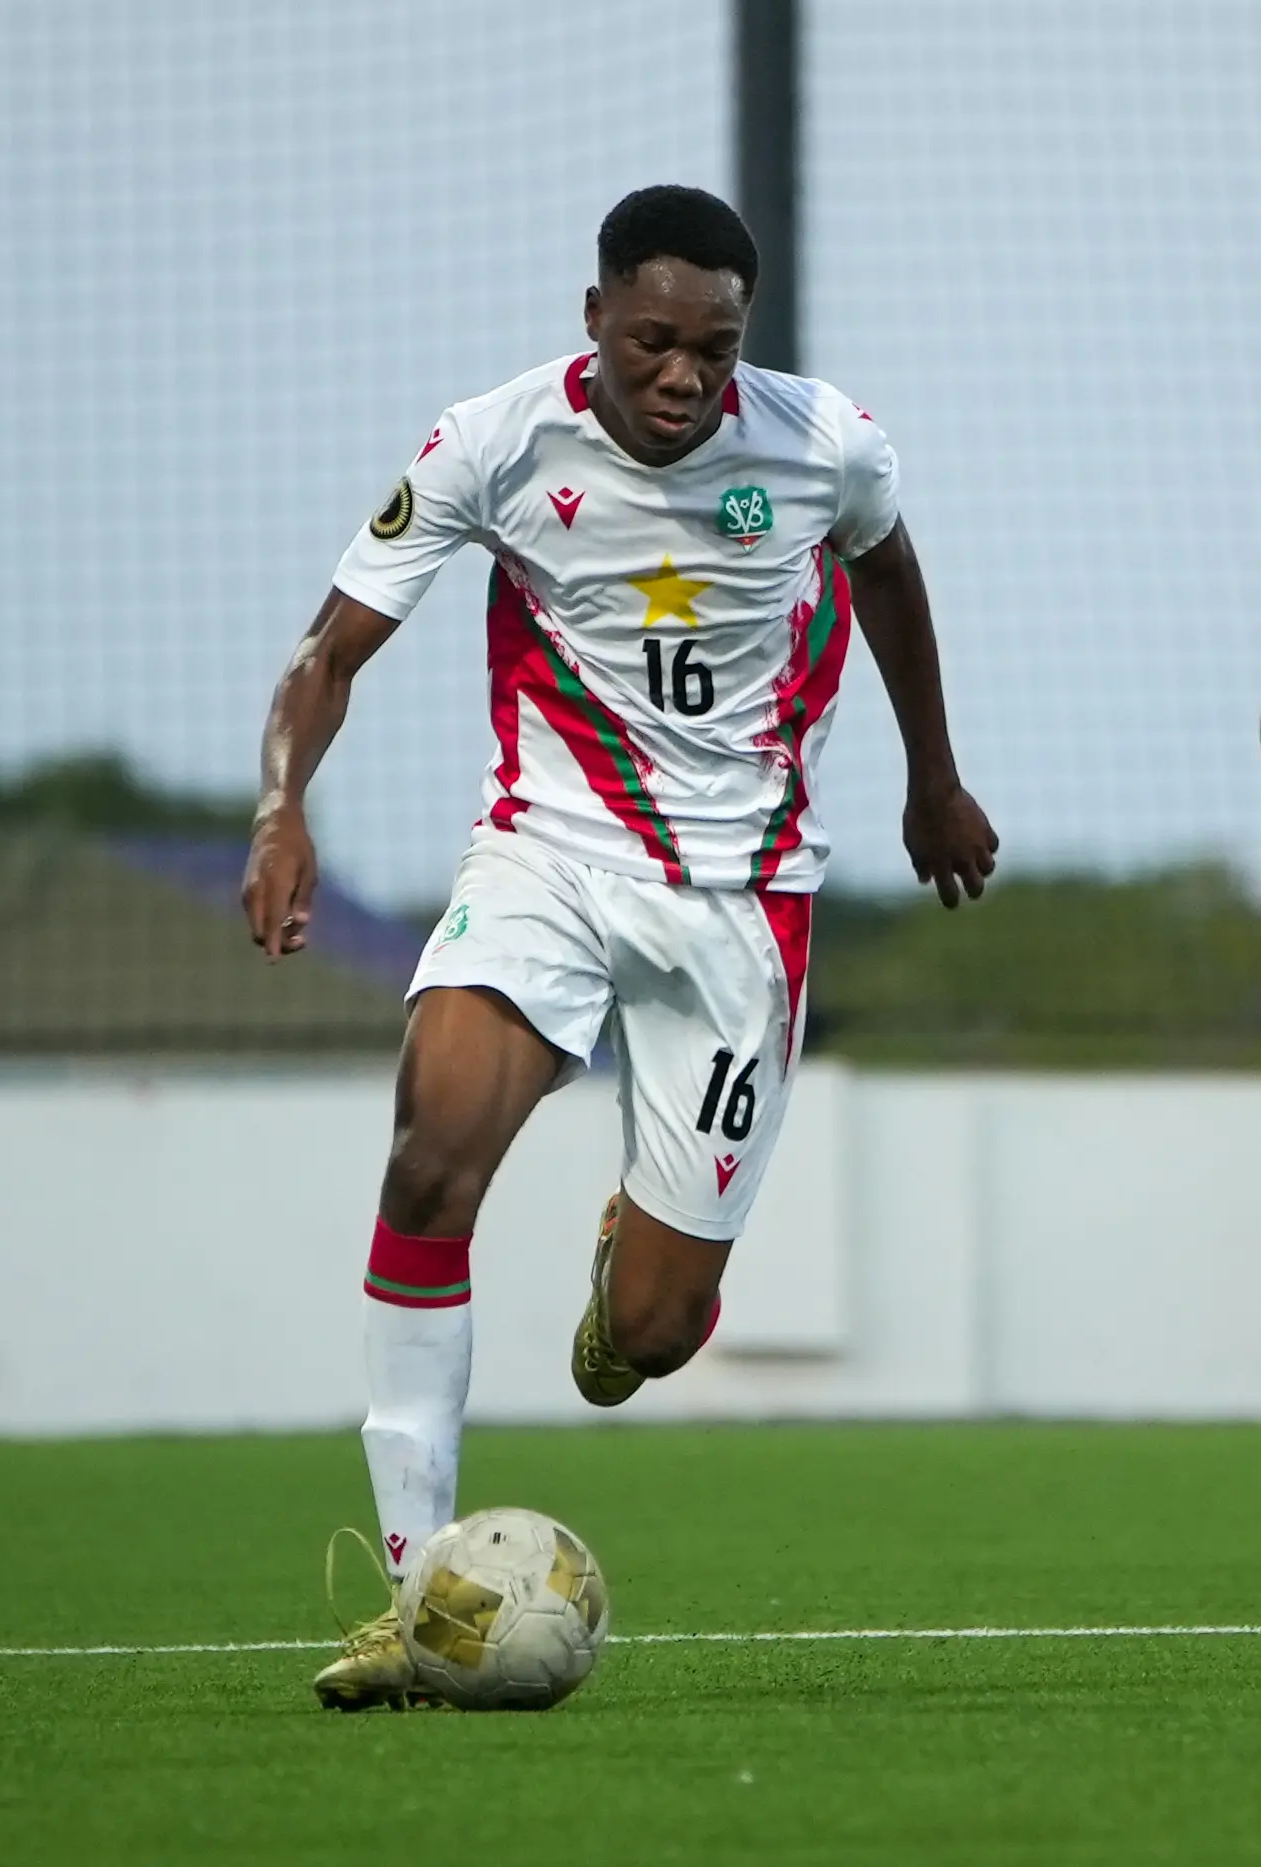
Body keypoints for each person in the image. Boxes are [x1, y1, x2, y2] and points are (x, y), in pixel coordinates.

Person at [242, 185, 998, 1710]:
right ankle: (416, 1588)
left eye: (715, 347)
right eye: (654, 339)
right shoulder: (493, 441)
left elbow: (890, 573)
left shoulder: (825, 443)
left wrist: (935, 774)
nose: (684, 374)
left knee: (649, 1335)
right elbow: (330, 648)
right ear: (594, 318)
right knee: (430, 1158)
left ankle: (634, 1265)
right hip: (550, 858)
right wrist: (281, 809)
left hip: (744, 899)